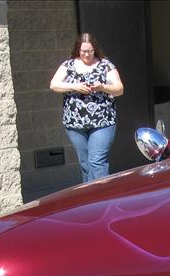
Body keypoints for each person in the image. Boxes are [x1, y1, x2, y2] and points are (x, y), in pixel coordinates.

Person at [50, 33, 124, 182]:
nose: (86, 54)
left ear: (95, 49)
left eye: (90, 51)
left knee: (97, 162)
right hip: (75, 124)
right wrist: (75, 86)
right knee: (85, 164)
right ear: (78, 49)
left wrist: (102, 87)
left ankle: (101, 199)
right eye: (83, 51)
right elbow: (54, 85)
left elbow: (119, 89)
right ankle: (89, 199)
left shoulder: (105, 65)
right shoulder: (68, 65)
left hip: (102, 122)